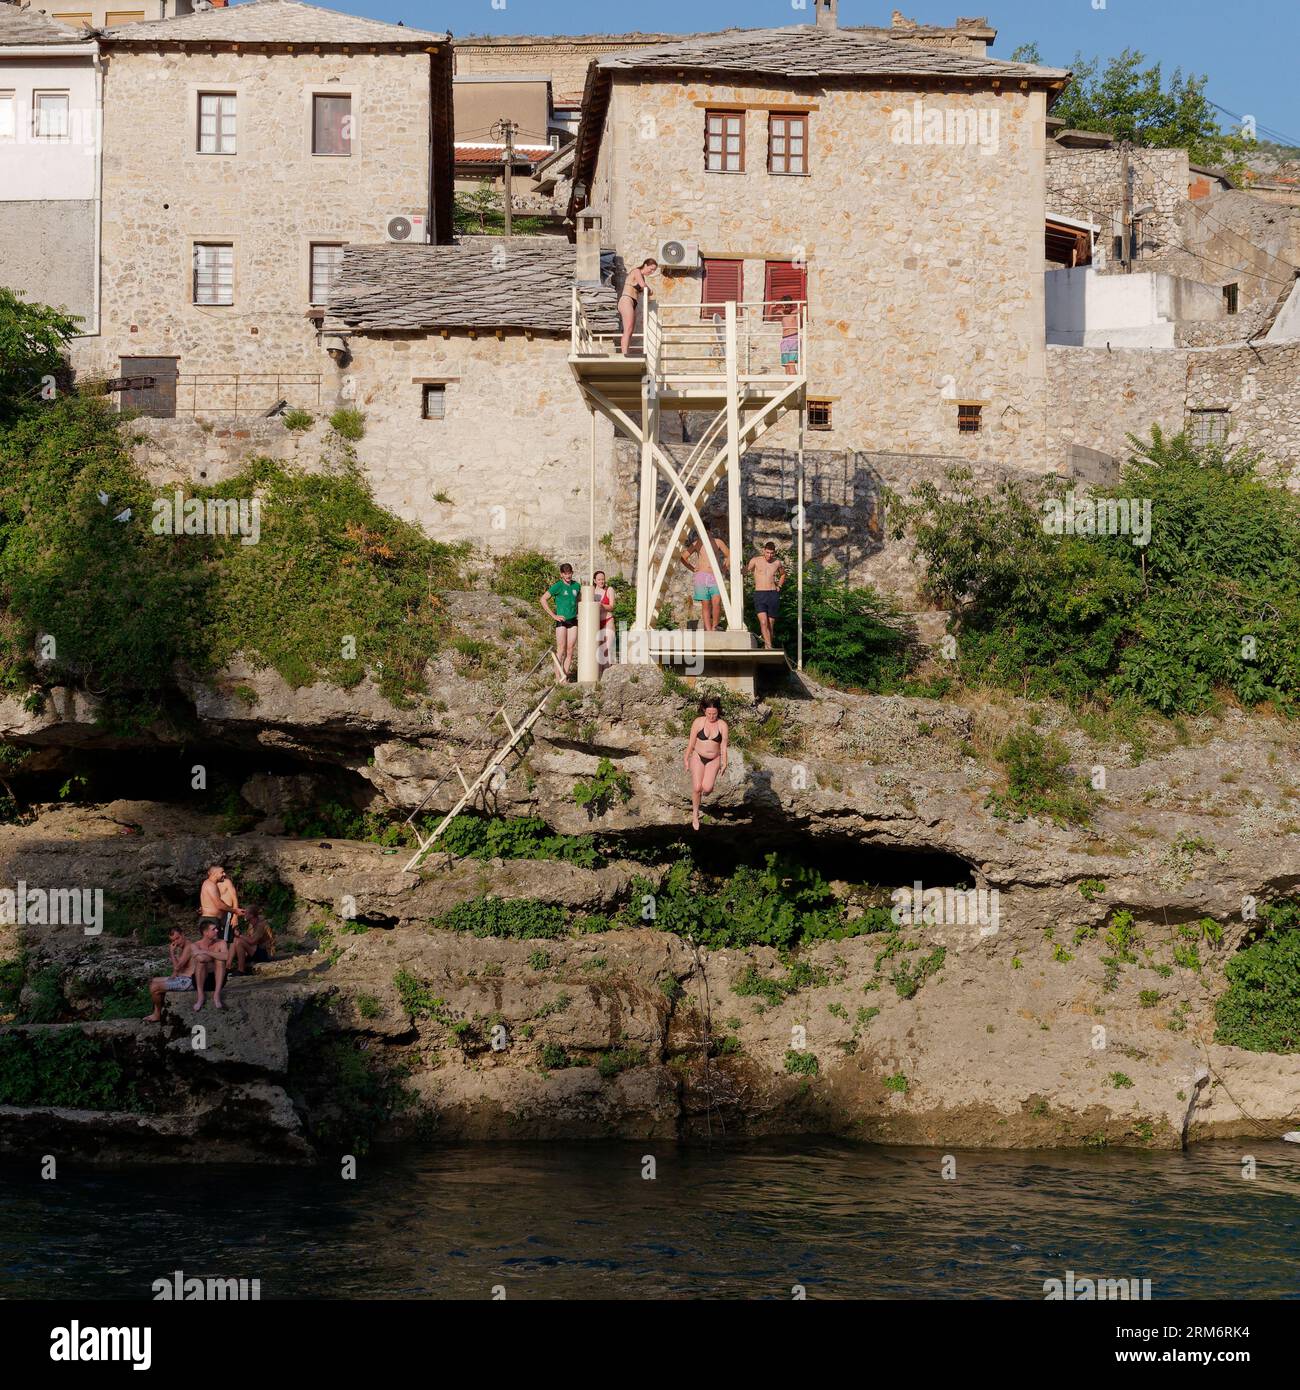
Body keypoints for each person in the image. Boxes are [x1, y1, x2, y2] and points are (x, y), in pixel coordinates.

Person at [684, 695, 728, 831]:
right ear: (704, 710)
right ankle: (695, 814)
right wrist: (686, 758)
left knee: (707, 788)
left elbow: (724, 746)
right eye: (709, 713)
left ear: (718, 712)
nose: (711, 716)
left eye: (714, 714)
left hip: (714, 759)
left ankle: (704, 792)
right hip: (698, 756)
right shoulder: (698, 722)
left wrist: (724, 762)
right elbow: (691, 743)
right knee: (697, 787)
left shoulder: (722, 725)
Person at [143, 927, 200, 1022]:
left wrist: (172, 952)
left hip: (189, 980)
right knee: (153, 980)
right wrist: (172, 976)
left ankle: (157, 1014)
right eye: (173, 940)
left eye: (177, 938)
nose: (176, 942)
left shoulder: (189, 946)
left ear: (183, 935)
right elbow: (177, 970)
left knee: (154, 987)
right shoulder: (180, 948)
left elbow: (177, 967)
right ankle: (157, 1009)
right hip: (182, 977)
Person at [540, 562, 583, 681]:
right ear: (561, 574)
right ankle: (557, 678)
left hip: (573, 620)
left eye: (570, 573)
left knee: (570, 649)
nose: (568, 576)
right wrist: (554, 615)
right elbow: (543, 599)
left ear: (572, 573)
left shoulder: (576, 586)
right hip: (562, 621)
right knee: (561, 649)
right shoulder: (558, 586)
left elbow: (580, 600)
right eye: (565, 574)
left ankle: (564, 677)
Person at [680, 532, 729, 632]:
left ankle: (714, 627)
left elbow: (729, 555)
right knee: (705, 604)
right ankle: (708, 629)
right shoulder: (697, 543)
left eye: (706, 532)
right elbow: (683, 557)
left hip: (715, 576)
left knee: (717, 602)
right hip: (701, 576)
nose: (703, 535)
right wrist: (692, 568)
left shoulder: (718, 542)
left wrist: (724, 568)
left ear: (710, 532)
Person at [746, 541, 787, 650]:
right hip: (760, 594)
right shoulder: (755, 560)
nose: (769, 555)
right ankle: (769, 647)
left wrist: (779, 586)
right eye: (767, 552)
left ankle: (767, 645)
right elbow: (745, 571)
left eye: (772, 553)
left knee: (770, 624)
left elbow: (783, 574)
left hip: (772, 594)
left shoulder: (777, 563)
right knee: (763, 622)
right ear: (764, 550)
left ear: (774, 553)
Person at [617, 258, 657, 357]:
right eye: (651, 269)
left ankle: (626, 352)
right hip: (626, 300)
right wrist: (650, 291)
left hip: (632, 303)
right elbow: (643, 286)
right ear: (645, 265)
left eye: (654, 271)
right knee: (628, 329)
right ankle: (624, 354)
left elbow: (644, 290)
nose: (651, 272)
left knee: (630, 330)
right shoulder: (636, 271)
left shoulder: (642, 277)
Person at [199, 863, 243, 947]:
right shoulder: (210, 885)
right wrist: (235, 911)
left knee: (218, 942)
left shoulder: (217, 884)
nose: (224, 874)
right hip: (210, 919)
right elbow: (219, 904)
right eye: (222, 872)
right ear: (215, 874)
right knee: (214, 944)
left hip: (218, 917)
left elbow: (232, 898)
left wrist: (234, 915)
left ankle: (225, 957)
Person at [229, 904, 276, 975]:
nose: (244, 914)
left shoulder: (261, 925)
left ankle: (241, 970)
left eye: (246, 913)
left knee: (239, 941)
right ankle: (228, 965)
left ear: (251, 915)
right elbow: (248, 938)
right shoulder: (251, 924)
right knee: (236, 940)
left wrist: (240, 935)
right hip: (256, 950)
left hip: (265, 953)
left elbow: (252, 941)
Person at [592, 570, 617, 672]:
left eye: (603, 579)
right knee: (598, 652)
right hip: (595, 623)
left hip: (607, 620)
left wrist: (601, 605)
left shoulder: (609, 589)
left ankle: (608, 675)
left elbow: (612, 606)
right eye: (599, 579)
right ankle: (600, 677)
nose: (601, 581)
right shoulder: (591, 591)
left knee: (607, 648)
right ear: (594, 580)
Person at [778, 295, 801, 377]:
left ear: (790, 305)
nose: (784, 307)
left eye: (786, 306)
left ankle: (794, 386)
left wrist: (800, 314)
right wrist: (771, 307)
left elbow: (800, 325)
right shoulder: (781, 313)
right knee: (786, 365)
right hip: (784, 340)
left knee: (791, 363)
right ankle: (789, 386)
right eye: (783, 306)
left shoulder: (795, 312)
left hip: (793, 338)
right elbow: (769, 317)